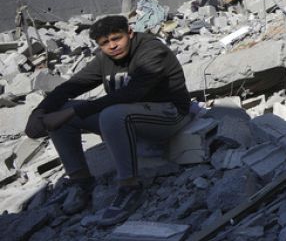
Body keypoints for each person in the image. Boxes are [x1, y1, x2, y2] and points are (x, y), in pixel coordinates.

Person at [24, 14, 192, 225]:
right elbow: (73, 85)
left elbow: (132, 94)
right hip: (130, 116)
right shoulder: (106, 58)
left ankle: (130, 187)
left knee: (110, 113)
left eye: (117, 38)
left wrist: (74, 112)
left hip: (169, 114)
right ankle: (81, 183)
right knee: (62, 108)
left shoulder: (151, 50)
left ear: (129, 33)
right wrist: (41, 111)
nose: (112, 46)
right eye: (105, 43)